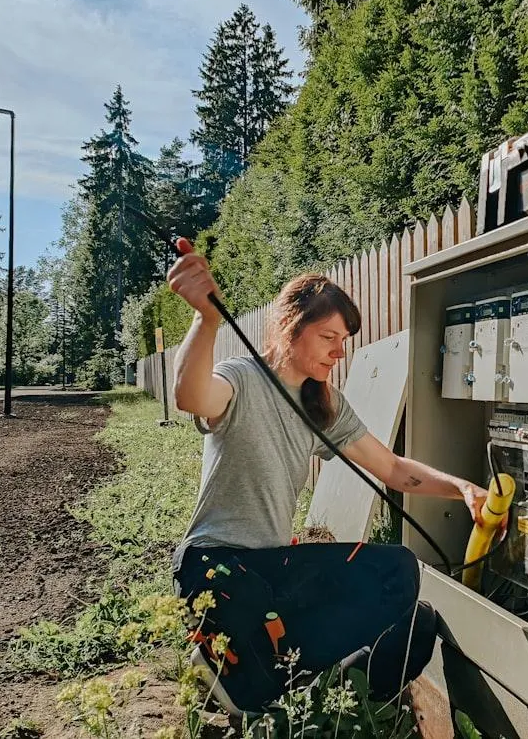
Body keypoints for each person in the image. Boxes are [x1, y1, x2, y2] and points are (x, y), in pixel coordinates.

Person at [166, 237, 490, 715]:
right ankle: (250, 676)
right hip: (213, 565)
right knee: (248, 598)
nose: (339, 352)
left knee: (397, 576)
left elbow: (395, 470)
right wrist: (206, 319)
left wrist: (462, 487)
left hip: (274, 568)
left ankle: (267, 678)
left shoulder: (325, 406)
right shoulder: (242, 378)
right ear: (290, 328)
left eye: (344, 342)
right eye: (328, 338)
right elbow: (190, 395)